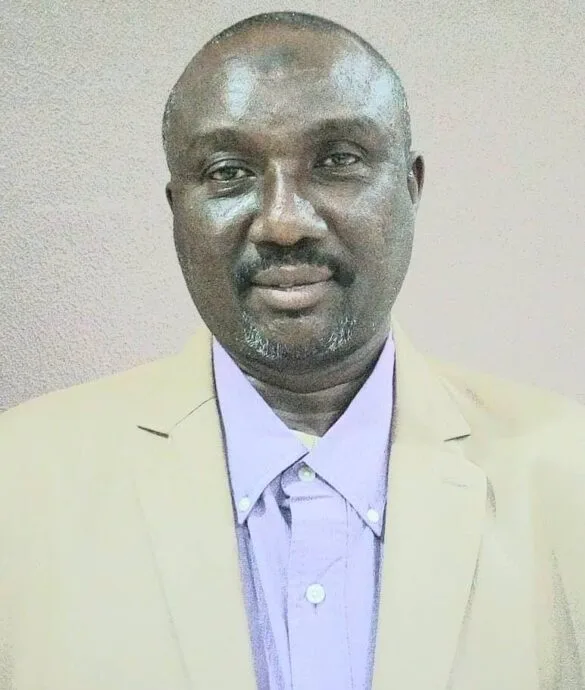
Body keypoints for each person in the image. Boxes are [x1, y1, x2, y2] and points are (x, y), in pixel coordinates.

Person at [0, 11, 584, 690]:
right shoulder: (20, 482)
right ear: (176, 210)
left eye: (337, 161)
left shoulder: (569, 474)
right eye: (228, 171)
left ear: (410, 188)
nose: (283, 222)